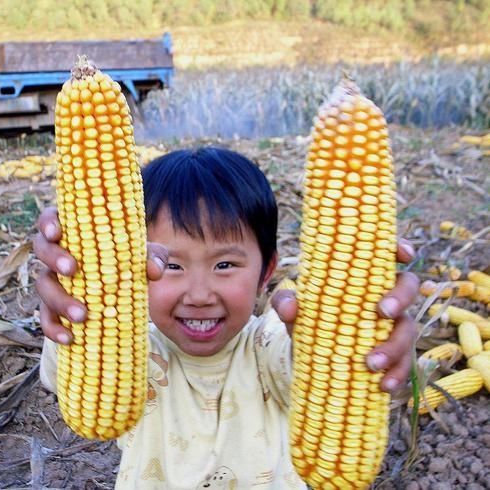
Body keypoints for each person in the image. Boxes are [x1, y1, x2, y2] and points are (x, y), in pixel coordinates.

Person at [34, 147, 419, 489]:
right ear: (134, 268)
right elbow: (63, 372)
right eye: (170, 265)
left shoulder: (267, 346)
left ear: (266, 272)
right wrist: (77, 299)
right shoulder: (132, 356)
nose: (199, 295)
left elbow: (308, 363)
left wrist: (357, 338)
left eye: (224, 264)